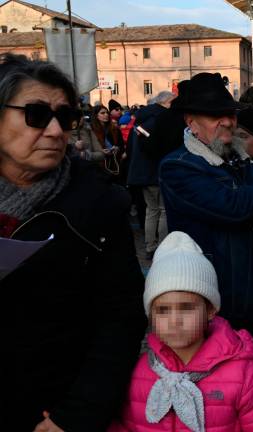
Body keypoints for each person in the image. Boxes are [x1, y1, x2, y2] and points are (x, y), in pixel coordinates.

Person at [1, 53, 146, 431]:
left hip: (55, 408)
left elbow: (121, 317)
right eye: (36, 115)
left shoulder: (98, 203)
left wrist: (78, 413)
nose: (54, 131)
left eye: (64, 118)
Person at [159, 73, 253, 430]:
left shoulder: (236, 159)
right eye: (215, 115)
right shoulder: (178, 166)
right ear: (191, 122)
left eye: (230, 113)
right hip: (224, 310)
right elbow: (235, 206)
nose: (227, 121)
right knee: (231, 402)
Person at [109, 231, 253, 431]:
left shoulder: (245, 376)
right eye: (163, 310)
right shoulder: (140, 371)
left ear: (210, 309)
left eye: (186, 307)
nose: (174, 321)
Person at [126, 90, 176, 260]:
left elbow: (134, 146)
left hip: (142, 172)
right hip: (156, 171)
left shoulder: (141, 118)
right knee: (163, 210)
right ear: (166, 102)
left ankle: (149, 245)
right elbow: (157, 147)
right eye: (173, 102)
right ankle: (162, 246)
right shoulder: (160, 119)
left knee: (151, 210)